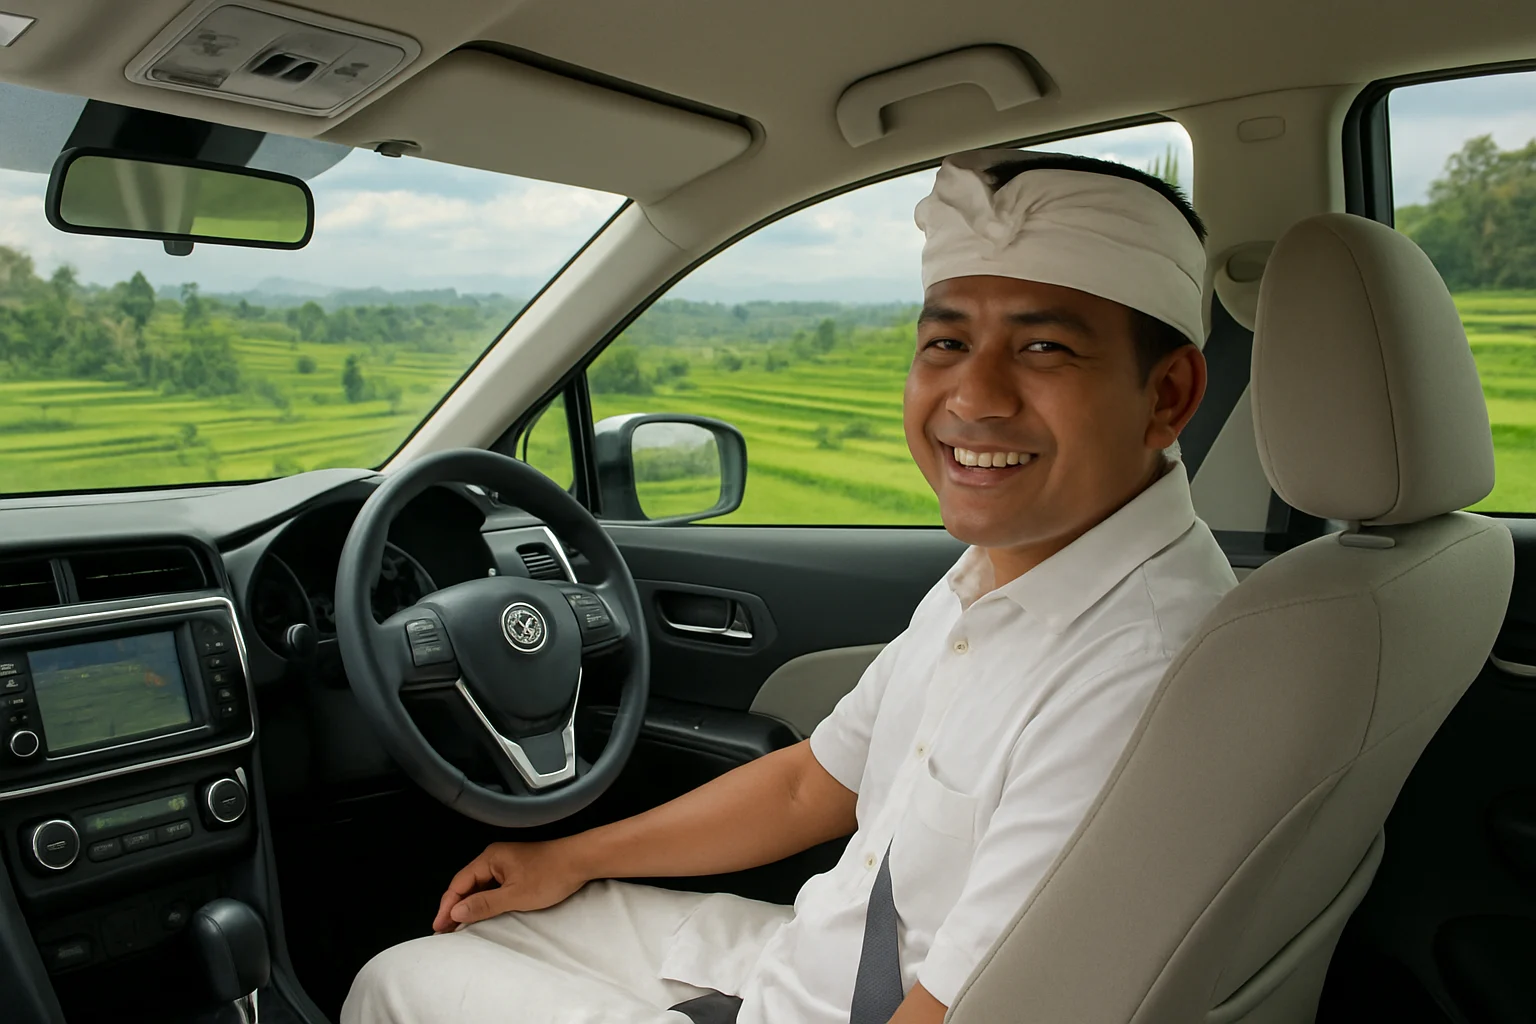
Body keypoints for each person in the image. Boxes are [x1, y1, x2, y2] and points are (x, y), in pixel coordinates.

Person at [341, 149, 1239, 1024]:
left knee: (400, 976)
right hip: (821, 958)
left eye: (1043, 347)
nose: (975, 396)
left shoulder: (1137, 668)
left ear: (1167, 395)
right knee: (506, 922)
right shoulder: (1017, 569)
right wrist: (569, 857)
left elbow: (986, 996)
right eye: (946, 341)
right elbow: (815, 785)